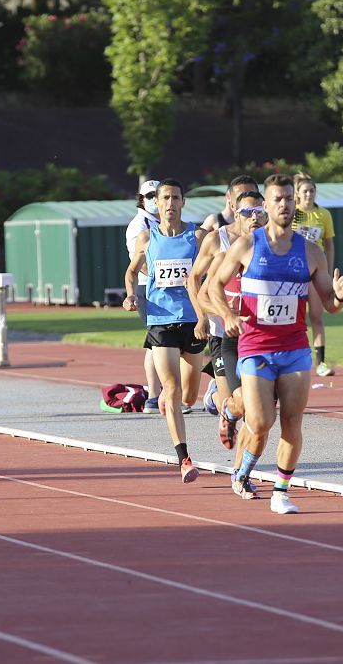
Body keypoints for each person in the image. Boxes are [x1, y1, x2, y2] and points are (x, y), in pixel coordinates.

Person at [209, 174, 343, 514]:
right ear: (266, 205)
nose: (285, 205)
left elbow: (329, 305)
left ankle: (280, 490)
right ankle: (241, 468)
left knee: (292, 421)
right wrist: (226, 316)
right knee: (260, 423)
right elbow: (214, 285)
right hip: (256, 347)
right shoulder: (247, 246)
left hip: (294, 349)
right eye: (278, 199)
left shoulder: (312, 252)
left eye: (289, 199)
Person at [123, 178, 208, 483]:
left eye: (175, 198)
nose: (170, 204)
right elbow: (131, 272)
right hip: (161, 320)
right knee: (170, 389)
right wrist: (131, 295)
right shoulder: (147, 238)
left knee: (188, 396)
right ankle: (184, 458)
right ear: (155, 204)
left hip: (193, 321)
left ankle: (172, 401)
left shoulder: (198, 236)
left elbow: (212, 275)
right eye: (165, 199)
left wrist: (206, 311)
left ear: (183, 202)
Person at [189, 187, 264, 449]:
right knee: (241, 402)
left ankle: (243, 471)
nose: (254, 217)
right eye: (247, 212)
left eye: (258, 211)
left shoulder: (275, 251)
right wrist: (218, 316)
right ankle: (224, 406)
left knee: (260, 412)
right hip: (225, 334)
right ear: (234, 209)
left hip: (261, 339)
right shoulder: (219, 246)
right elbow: (198, 285)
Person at [291, 171, 337, 376]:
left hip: (316, 270)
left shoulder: (323, 214)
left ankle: (321, 362)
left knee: (317, 316)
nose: (309, 194)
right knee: (293, 318)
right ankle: (292, 357)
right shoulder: (294, 212)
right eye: (305, 191)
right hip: (295, 271)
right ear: (298, 194)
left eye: (312, 190)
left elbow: (329, 244)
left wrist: (327, 271)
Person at [125, 180, 164, 413]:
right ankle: (153, 395)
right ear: (141, 199)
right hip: (147, 288)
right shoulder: (138, 225)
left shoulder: (163, 221)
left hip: (167, 289)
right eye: (149, 195)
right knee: (155, 341)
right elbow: (138, 264)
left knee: (169, 340)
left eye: (157, 194)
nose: (153, 198)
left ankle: (166, 393)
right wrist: (165, 276)